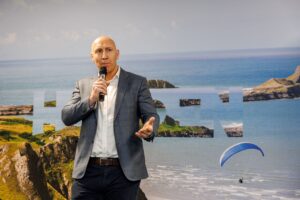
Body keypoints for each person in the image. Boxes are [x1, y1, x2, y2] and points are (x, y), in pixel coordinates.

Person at [61, 35, 159, 200]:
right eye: (99, 51)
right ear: (92, 57)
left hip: (123, 173)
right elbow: (67, 116)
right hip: (88, 172)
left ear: (117, 54)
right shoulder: (83, 84)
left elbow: (151, 115)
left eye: (109, 50)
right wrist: (91, 99)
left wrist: (150, 129)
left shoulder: (137, 82)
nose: (104, 55)